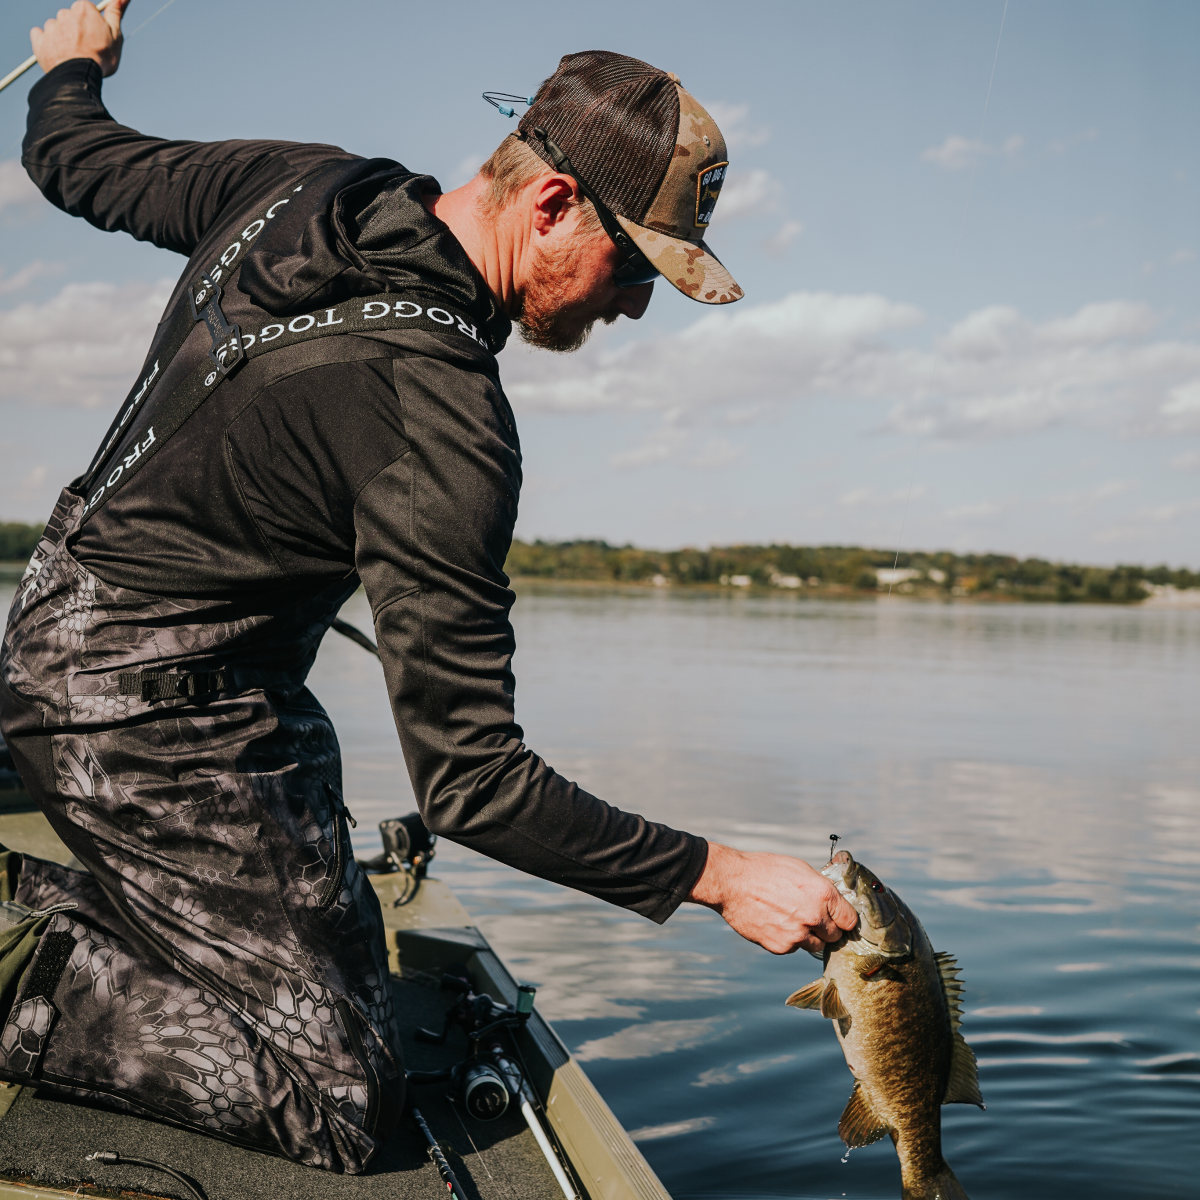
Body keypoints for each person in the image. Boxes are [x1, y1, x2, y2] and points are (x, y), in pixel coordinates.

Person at [0, 0, 858, 1173]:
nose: (636, 305)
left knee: (350, 967)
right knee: (337, 1091)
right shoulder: (445, 423)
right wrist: (718, 876)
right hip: (137, 717)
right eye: (634, 265)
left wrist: (74, 71)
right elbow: (474, 786)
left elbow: (72, 162)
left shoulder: (303, 184)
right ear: (553, 201)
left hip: (106, 638)